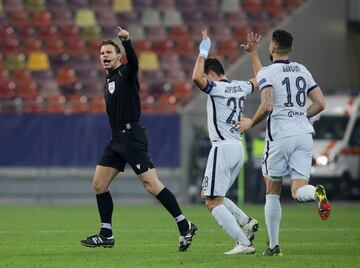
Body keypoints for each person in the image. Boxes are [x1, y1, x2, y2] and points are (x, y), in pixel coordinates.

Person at [80, 26, 197, 252]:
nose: (104, 56)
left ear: (118, 57)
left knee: (151, 185)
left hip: (131, 136)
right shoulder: (109, 80)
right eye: (102, 53)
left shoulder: (126, 71)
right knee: (99, 184)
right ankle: (106, 234)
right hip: (116, 139)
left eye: (108, 53)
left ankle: (185, 225)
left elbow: (134, 63)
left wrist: (127, 42)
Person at [237, 29, 331, 256]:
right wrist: (298, 115)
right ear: (291, 49)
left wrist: (251, 121)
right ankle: (316, 192)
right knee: (298, 191)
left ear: (272, 48)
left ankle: (273, 246)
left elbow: (267, 104)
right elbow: (320, 103)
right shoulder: (302, 70)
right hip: (304, 135)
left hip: (280, 136)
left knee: (273, 190)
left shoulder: (270, 71)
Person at [192, 30, 261, 255]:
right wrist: (253, 54)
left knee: (212, 202)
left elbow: (196, 79)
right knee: (211, 196)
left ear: (211, 73)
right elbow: (261, 79)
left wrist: (203, 50)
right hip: (236, 149)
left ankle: (244, 243)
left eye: (206, 74)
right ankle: (247, 221)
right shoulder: (240, 86)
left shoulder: (217, 88)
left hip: (221, 148)